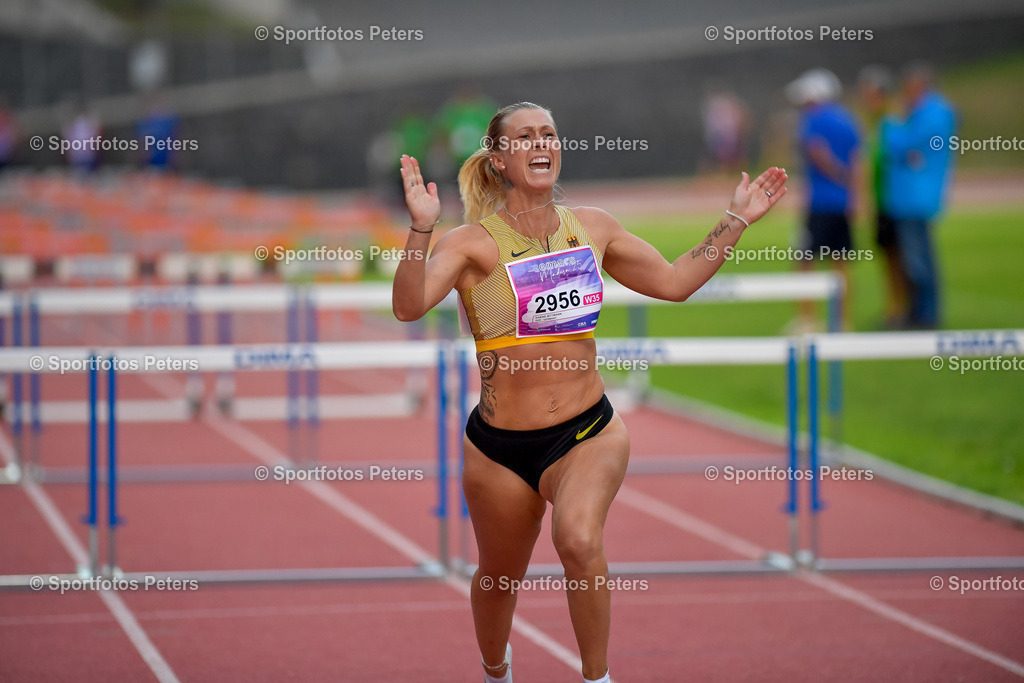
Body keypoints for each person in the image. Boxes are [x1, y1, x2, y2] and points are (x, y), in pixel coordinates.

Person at [392, 101, 787, 683]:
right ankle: (495, 671)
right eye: (524, 137)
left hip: (586, 432)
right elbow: (406, 306)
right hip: (498, 447)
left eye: (548, 134)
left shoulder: (594, 228)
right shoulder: (471, 243)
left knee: (577, 538)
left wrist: (736, 220)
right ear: (498, 159)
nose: (540, 143)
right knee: (499, 578)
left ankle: (597, 679)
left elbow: (675, 282)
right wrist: (422, 227)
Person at [881, 62, 957, 328]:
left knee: (918, 258)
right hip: (912, 195)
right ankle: (918, 313)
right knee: (916, 256)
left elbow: (899, 144)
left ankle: (924, 315)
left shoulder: (932, 113)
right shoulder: (927, 111)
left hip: (915, 197)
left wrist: (892, 125)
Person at [787, 68, 860, 331]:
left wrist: (837, 174)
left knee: (804, 258)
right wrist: (853, 191)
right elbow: (858, 159)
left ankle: (807, 318)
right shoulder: (848, 120)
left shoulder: (813, 119)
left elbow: (816, 150)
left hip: (819, 203)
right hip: (841, 202)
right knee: (840, 262)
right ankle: (841, 320)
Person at [858, 65, 908, 328]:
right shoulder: (878, 125)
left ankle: (901, 309)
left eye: (870, 94)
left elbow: (902, 160)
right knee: (889, 258)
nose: (866, 100)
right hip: (883, 203)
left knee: (898, 259)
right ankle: (895, 308)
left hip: (894, 204)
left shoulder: (892, 123)